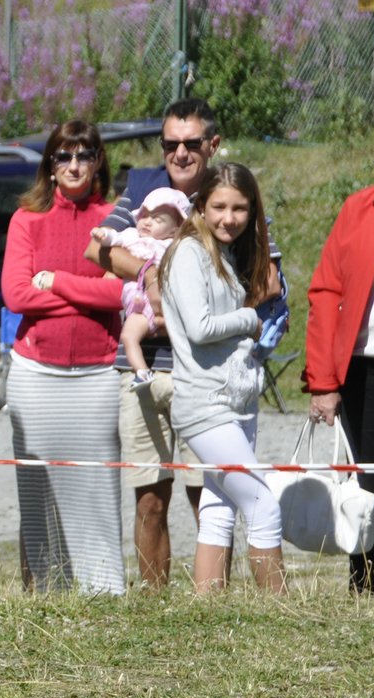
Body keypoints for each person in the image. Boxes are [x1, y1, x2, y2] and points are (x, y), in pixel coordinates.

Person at [84, 98, 282, 588]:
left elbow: (269, 280)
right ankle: (155, 605)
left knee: (211, 495)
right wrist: (155, 273)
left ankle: (214, 600)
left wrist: (199, 296)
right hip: (146, 362)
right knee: (151, 496)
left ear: (211, 145)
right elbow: (95, 249)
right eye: (170, 143)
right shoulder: (141, 187)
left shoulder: (232, 194)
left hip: (212, 370)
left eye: (191, 143)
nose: (179, 153)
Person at [0, 120, 126, 595]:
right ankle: (48, 591)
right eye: (63, 156)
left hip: (97, 375)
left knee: (97, 489)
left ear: (98, 163)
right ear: (50, 167)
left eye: (84, 155)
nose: (74, 165)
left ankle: (105, 592)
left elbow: (122, 294)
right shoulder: (25, 219)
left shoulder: (117, 218)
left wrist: (54, 282)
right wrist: (89, 293)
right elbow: (15, 294)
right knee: (37, 493)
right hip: (36, 376)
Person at [162, 163, 285, 594]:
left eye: (240, 209)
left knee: (219, 507)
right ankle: (283, 610)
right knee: (262, 503)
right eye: (218, 207)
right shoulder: (189, 253)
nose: (228, 218)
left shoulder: (227, 253)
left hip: (238, 401)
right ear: (201, 204)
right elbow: (199, 327)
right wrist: (252, 315)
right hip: (206, 404)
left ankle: (207, 609)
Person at [304, 171, 374, 593]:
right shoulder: (363, 208)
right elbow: (326, 291)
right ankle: (373, 585)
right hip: (371, 370)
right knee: (373, 485)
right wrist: (323, 379)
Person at [90, 187, 189, 386]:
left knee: (134, 335)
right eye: (144, 215)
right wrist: (103, 235)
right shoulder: (133, 236)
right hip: (139, 308)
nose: (147, 222)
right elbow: (114, 239)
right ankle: (141, 370)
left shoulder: (177, 246)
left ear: (175, 228)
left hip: (164, 306)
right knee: (128, 336)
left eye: (158, 220)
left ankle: (153, 371)